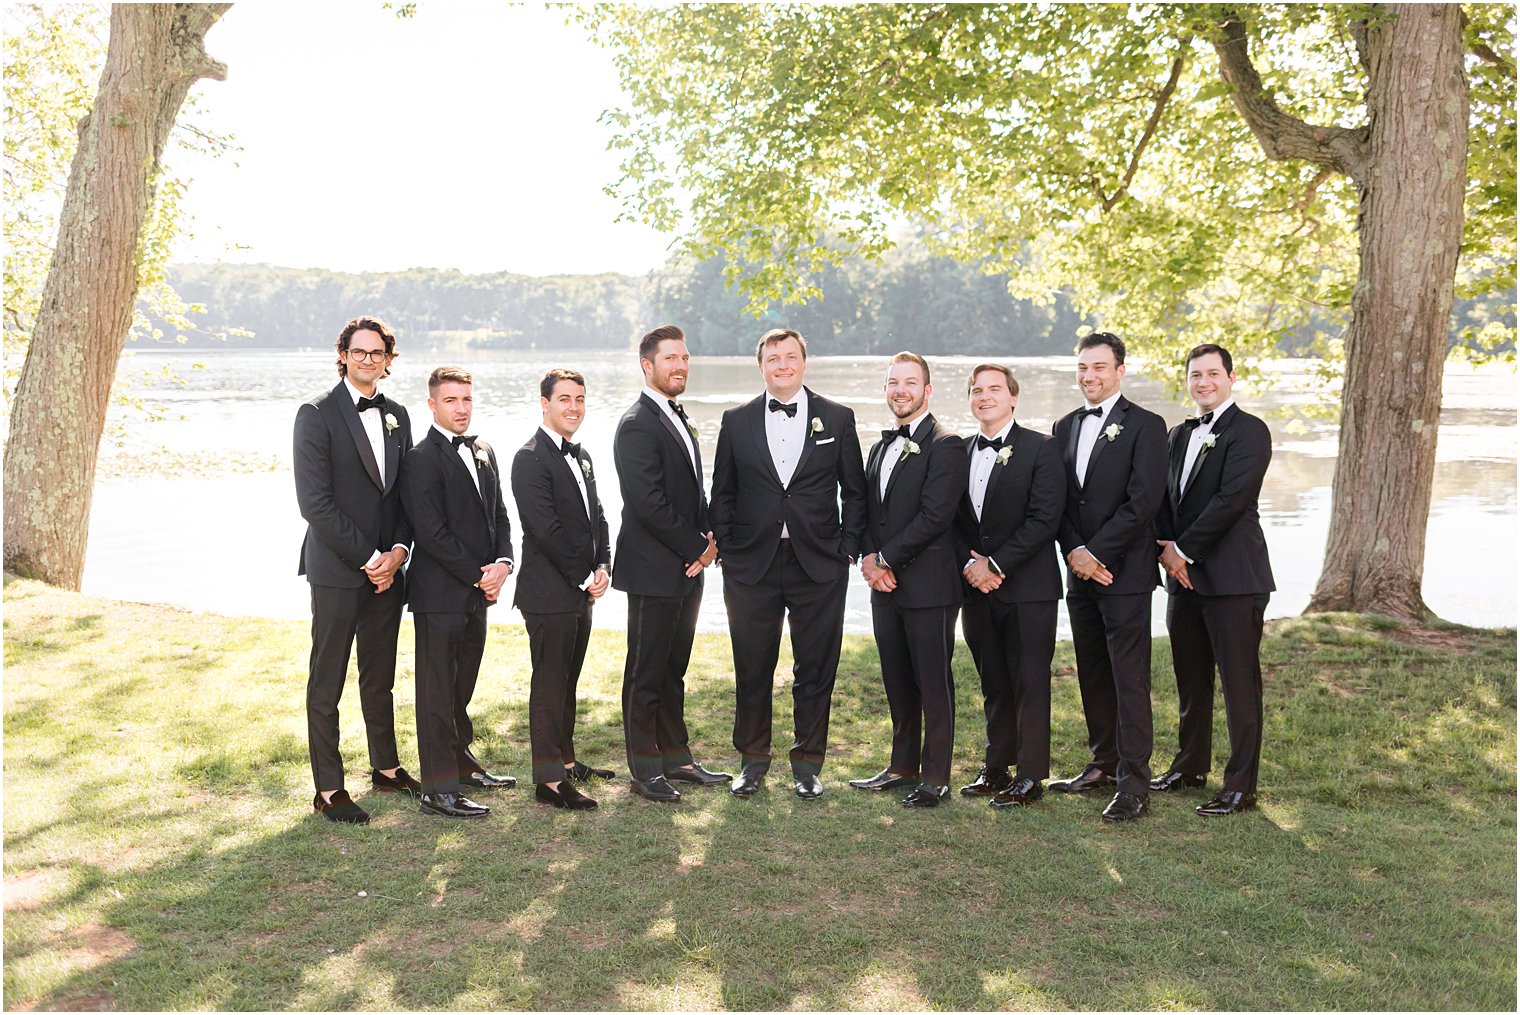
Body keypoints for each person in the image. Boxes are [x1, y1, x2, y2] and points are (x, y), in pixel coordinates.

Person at [710, 328, 868, 799]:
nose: (783, 365)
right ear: (761, 366)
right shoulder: (735, 420)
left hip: (818, 564)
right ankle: (752, 761)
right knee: (752, 665)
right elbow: (723, 492)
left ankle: (807, 764)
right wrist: (730, 550)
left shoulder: (837, 417)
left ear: (804, 361)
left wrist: (847, 548)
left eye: (791, 356)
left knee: (816, 666)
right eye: (773, 358)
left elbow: (854, 491)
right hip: (751, 565)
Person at [294, 315, 419, 825]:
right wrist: (369, 560)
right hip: (337, 569)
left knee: (379, 676)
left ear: (388, 360)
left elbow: (407, 495)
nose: (368, 359)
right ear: (343, 355)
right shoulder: (316, 414)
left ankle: (386, 768)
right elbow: (315, 504)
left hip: (388, 570)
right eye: (359, 351)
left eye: (378, 352)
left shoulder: (400, 415)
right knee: (327, 679)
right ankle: (328, 788)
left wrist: (399, 552)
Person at [1050, 331, 1168, 822]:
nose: (1089, 376)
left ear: (1120, 371)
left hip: (1125, 573)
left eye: (1099, 367)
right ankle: (1101, 764)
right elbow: (1055, 498)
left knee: (1129, 678)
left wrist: (1096, 551)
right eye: (1082, 367)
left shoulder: (1146, 425)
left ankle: (1134, 783)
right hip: (1079, 573)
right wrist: (1075, 550)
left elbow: (1143, 502)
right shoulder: (1063, 426)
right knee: (1093, 672)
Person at [1153, 344, 1275, 816]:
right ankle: (1189, 766)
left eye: (1211, 374)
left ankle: (1241, 787)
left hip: (1233, 578)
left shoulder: (1250, 432)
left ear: (1231, 377)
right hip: (1182, 580)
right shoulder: (1177, 434)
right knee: (1191, 677)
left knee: (1239, 683)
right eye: (1195, 375)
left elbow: (1230, 500)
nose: (1203, 382)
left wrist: (1182, 550)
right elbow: (1164, 500)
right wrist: (1166, 548)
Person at [612, 325, 730, 802]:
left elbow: (690, 492)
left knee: (673, 668)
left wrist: (710, 540)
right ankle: (645, 769)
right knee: (645, 670)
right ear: (648, 365)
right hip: (653, 569)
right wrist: (696, 547)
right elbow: (647, 501)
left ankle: (676, 757)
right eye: (670, 359)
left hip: (688, 568)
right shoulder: (637, 422)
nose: (680, 366)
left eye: (684, 357)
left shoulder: (676, 415)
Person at [850, 352, 967, 808]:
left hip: (930, 586)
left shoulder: (947, 443)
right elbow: (863, 509)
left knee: (932, 682)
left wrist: (885, 557)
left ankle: (936, 777)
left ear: (927, 390)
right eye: (893, 382)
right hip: (884, 585)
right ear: (885, 389)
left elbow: (935, 516)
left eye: (910, 382)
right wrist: (867, 558)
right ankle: (901, 765)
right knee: (897, 678)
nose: (901, 390)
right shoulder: (879, 447)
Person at [400, 366, 517, 818]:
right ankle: (438, 789)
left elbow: (500, 515)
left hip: (477, 593)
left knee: (461, 685)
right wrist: (478, 573)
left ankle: (463, 764)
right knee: (436, 690)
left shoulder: (484, 449)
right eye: (451, 401)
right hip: (439, 595)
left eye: (466, 399)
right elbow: (430, 532)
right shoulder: (420, 458)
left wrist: (504, 564)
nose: (461, 408)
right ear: (432, 405)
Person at [952, 364, 1065, 808]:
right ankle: (996, 766)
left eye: (994, 389)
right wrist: (969, 563)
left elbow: (1045, 519)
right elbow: (949, 518)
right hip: (975, 588)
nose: (985, 396)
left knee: (1030, 681)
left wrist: (995, 564)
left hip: (1028, 588)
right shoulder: (957, 451)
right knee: (993, 680)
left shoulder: (1042, 448)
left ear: (1013, 397)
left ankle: (1031, 776)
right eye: (976, 390)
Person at [511, 368, 614, 812]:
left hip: (580, 589)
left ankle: (567, 761)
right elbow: (546, 530)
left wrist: (604, 564)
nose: (574, 407)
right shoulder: (529, 458)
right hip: (548, 592)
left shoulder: (582, 454)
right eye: (564, 399)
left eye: (580, 399)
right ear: (544, 403)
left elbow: (599, 516)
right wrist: (584, 574)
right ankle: (549, 781)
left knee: (568, 679)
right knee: (550, 682)